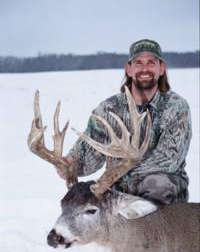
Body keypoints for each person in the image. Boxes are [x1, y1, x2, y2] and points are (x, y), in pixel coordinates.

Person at [57, 39, 192, 205]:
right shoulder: (109, 109)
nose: (144, 68)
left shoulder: (175, 107)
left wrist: (116, 174)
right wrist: (72, 164)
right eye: (138, 63)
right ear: (128, 69)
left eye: (151, 62)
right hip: (116, 189)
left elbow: (168, 160)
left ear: (161, 68)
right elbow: (91, 148)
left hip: (162, 192)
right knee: (81, 200)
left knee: (157, 183)